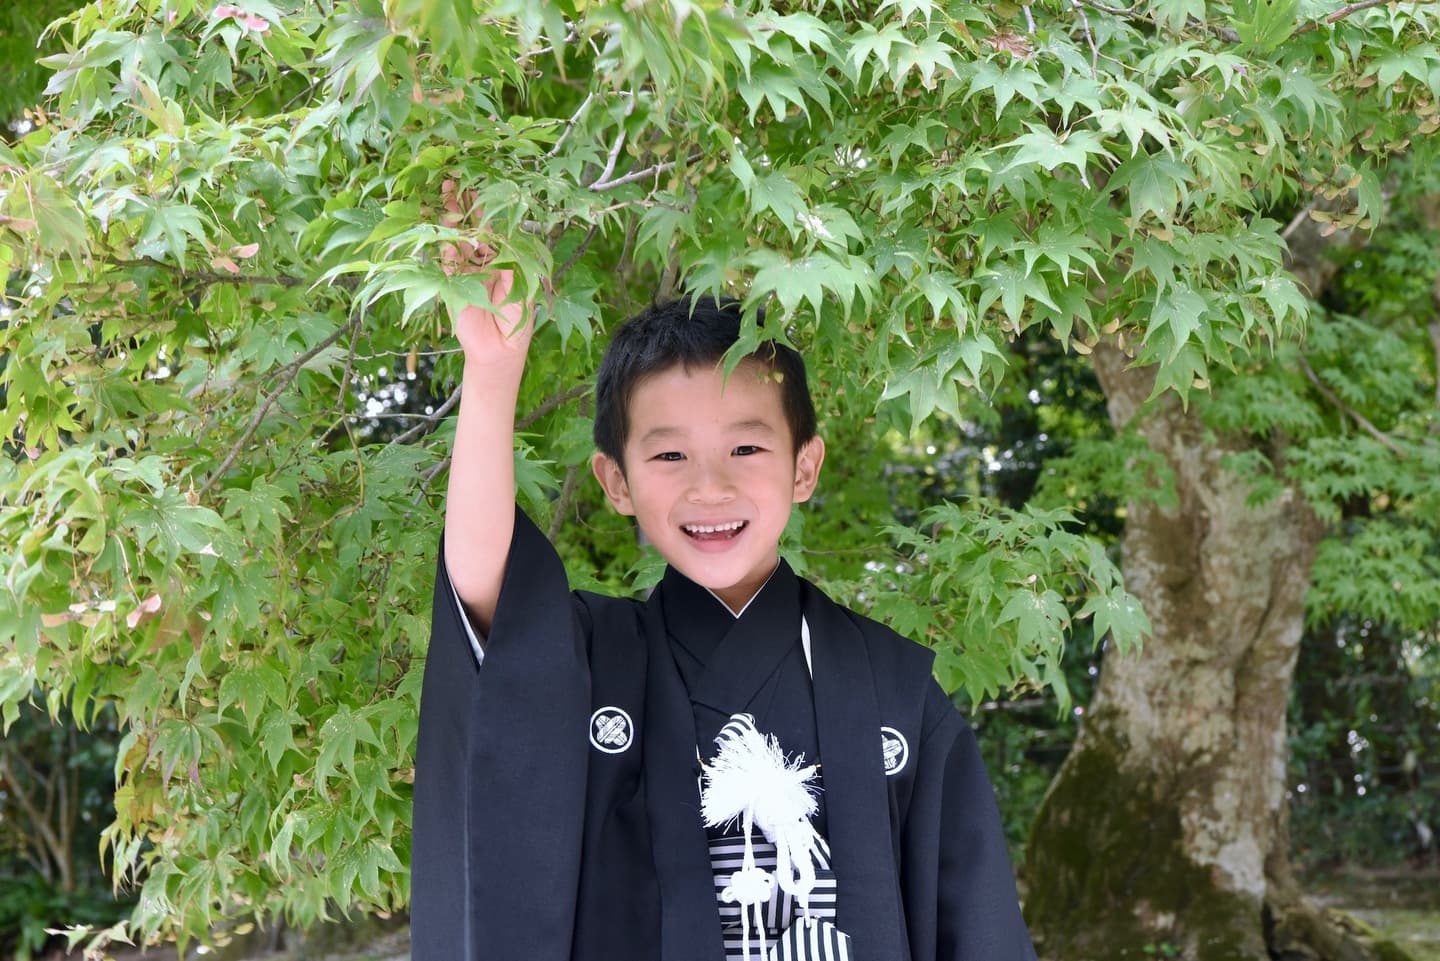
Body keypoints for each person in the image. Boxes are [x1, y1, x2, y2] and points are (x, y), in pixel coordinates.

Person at [410, 201, 1038, 961]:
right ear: (615, 481)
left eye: (746, 448)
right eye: (669, 456)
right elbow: (488, 596)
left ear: (805, 465)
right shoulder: (601, 662)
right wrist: (493, 368)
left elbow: (979, 933)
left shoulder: (893, 692)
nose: (710, 488)